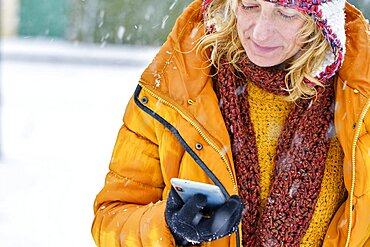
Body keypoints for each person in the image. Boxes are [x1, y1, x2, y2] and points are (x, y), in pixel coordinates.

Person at [91, 0, 370, 246]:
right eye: (249, 5)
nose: (260, 31)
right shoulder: (176, 87)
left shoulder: (360, 101)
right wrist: (168, 227)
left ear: (320, 20)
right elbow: (111, 218)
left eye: (286, 12)